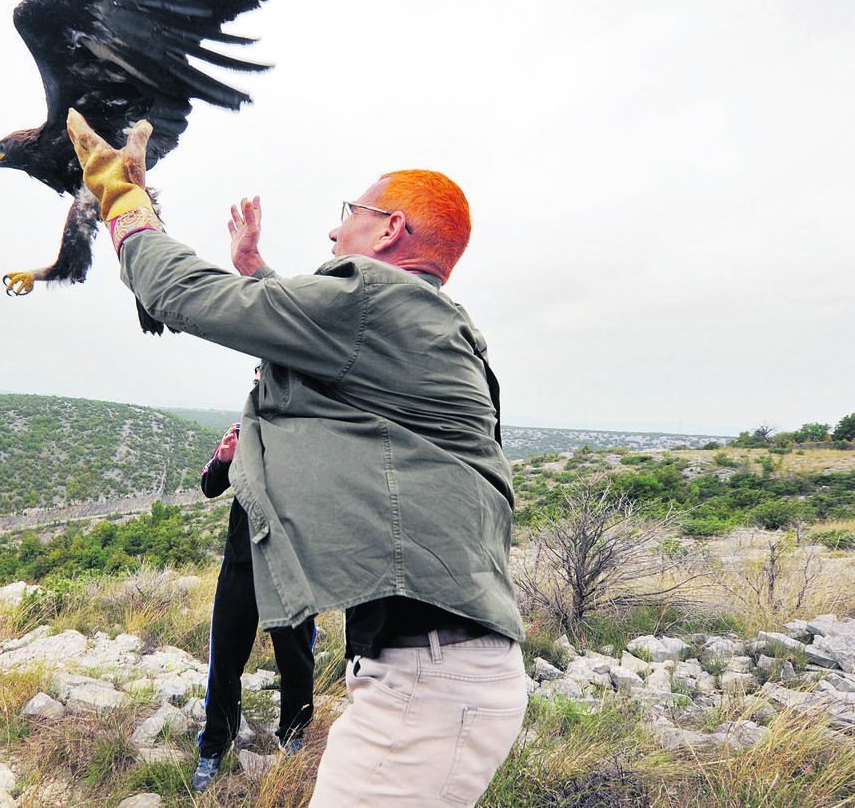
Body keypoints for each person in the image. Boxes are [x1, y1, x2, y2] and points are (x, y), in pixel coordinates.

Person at [66, 109, 526, 807]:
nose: (335, 230)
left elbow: (185, 295)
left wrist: (122, 200)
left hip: (427, 683)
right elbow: (340, 358)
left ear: (392, 229)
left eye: (350, 213)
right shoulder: (433, 322)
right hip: (450, 674)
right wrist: (258, 272)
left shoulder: (374, 299)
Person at [193, 372, 317, 792]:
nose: (258, 383)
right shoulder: (242, 430)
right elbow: (210, 486)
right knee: (225, 656)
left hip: (291, 562)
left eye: (267, 375)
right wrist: (223, 459)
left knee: (295, 655)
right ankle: (214, 748)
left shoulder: (312, 431)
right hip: (241, 564)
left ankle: (293, 733)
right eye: (256, 376)